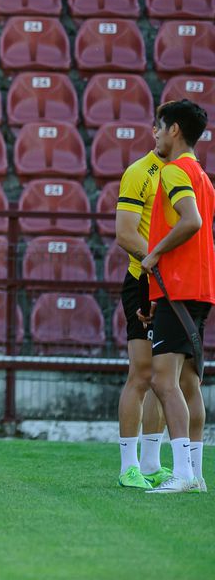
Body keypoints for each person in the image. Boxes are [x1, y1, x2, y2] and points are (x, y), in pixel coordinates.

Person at [139, 100, 213, 494]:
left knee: (163, 382)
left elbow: (191, 221)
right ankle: (195, 473)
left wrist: (153, 256)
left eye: (158, 126)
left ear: (174, 130)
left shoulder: (173, 171)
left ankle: (182, 473)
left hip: (180, 288)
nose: (154, 133)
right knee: (187, 383)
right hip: (197, 289)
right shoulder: (202, 176)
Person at [112, 130, 170, 489]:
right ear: (156, 130)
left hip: (173, 285)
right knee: (143, 373)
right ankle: (128, 466)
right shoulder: (139, 172)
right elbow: (126, 234)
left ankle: (151, 463)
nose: (162, 134)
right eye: (159, 127)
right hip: (143, 280)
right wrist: (156, 266)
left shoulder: (184, 173)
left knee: (167, 377)